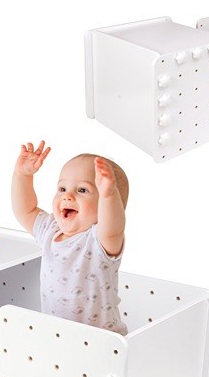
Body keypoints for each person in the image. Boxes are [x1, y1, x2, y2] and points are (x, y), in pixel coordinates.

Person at [11, 141, 128, 335]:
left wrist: (109, 195)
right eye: (62, 188)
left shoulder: (99, 240)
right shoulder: (50, 231)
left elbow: (114, 227)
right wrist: (22, 175)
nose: (68, 196)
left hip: (103, 342)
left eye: (82, 190)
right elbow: (25, 210)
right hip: (59, 336)